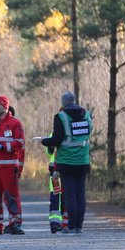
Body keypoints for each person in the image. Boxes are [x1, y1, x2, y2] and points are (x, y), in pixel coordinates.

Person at [41, 92, 92, 234]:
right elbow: (88, 133)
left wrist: (44, 141)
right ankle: (79, 227)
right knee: (80, 195)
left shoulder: (61, 117)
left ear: (63, 103)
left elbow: (56, 140)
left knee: (70, 195)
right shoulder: (87, 115)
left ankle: (70, 226)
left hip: (67, 162)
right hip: (83, 161)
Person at [0, 95, 25, 235]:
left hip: (8, 166)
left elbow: (20, 142)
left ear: (6, 106)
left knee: (11, 196)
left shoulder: (15, 123)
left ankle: (15, 223)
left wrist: (2, 146)